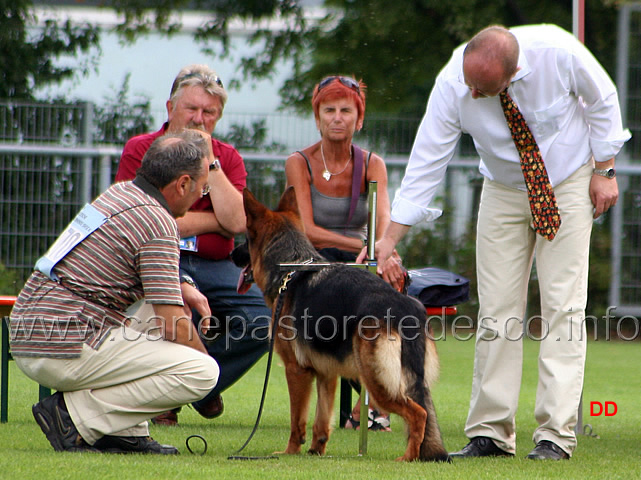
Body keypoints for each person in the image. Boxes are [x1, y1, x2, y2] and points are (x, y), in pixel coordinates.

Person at [363, 24, 630, 460]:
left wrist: (606, 169)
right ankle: (490, 432)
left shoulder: (557, 50)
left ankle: (554, 437)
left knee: (563, 306)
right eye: (469, 83)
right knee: (497, 308)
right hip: (503, 187)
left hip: (567, 177)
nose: (471, 94)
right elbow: (428, 160)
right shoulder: (453, 82)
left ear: (512, 73)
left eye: (482, 89)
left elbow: (603, 100)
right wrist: (389, 240)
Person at [10, 130, 220, 454]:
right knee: (202, 372)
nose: (200, 193)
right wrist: (207, 377)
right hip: (62, 341)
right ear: (181, 184)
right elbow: (172, 323)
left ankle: (127, 432)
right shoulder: (159, 221)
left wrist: (182, 286)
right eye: (202, 186)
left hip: (30, 327)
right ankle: (74, 418)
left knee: (158, 308)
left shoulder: (119, 193)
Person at [115, 64, 270, 426]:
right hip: (159, 257)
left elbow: (236, 222)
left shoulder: (226, 157)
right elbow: (142, 219)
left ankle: (194, 387)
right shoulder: (142, 150)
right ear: (170, 109)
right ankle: (186, 391)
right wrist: (211, 219)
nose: (199, 119)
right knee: (175, 315)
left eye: (209, 112)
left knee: (266, 319)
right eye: (192, 109)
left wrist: (208, 160)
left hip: (218, 265)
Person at [285, 75, 405, 431]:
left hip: (361, 260)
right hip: (316, 261)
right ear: (318, 117)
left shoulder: (372, 164)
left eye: (346, 111)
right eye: (329, 110)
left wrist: (382, 248)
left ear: (359, 118)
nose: (337, 118)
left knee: (390, 279)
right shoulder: (299, 162)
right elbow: (305, 228)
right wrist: (365, 245)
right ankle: (366, 397)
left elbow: (383, 217)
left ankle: (375, 402)